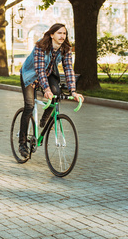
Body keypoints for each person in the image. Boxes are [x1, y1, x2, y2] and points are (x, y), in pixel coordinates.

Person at [18, 23, 84, 158]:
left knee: (57, 94)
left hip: (48, 74)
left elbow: (68, 70)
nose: (62, 36)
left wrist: (73, 91)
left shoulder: (65, 48)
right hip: (30, 75)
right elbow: (39, 70)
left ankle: (45, 119)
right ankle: (22, 143)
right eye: (59, 33)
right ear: (52, 35)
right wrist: (46, 89)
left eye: (64, 33)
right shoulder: (40, 46)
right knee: (29, 106)